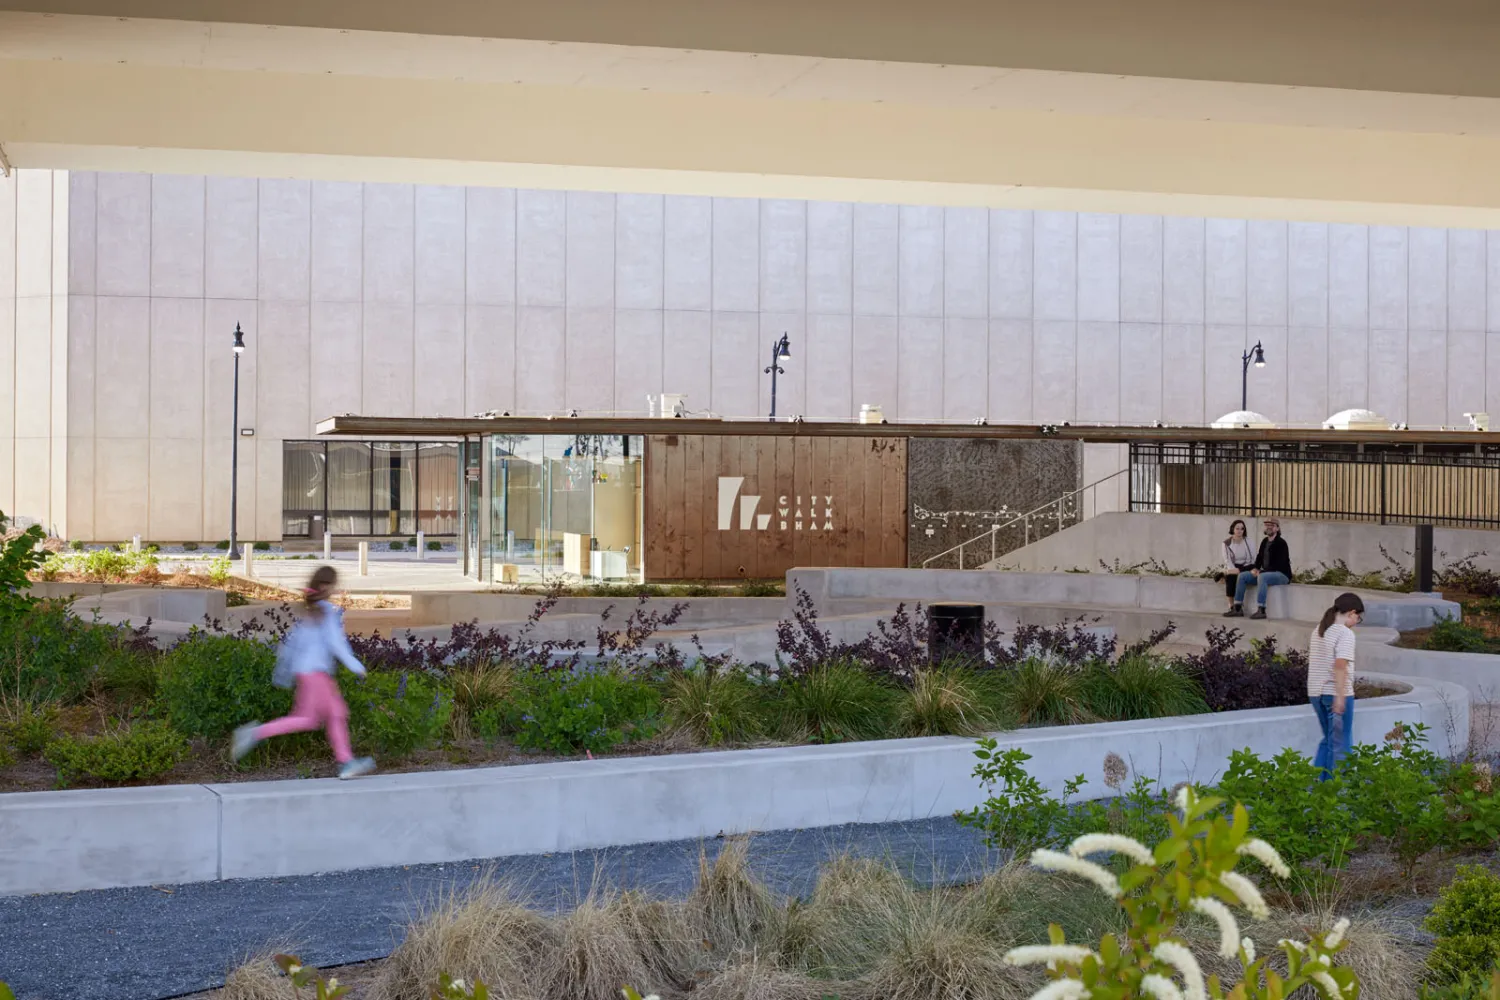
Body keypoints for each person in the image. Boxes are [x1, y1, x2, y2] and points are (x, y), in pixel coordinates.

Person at [232, 566, 376, 779]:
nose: (336, 589)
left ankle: (254, 733)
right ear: (325, 586)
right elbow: (336, 644)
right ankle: (346, 762)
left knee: (308, 719)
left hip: (306, 674)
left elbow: (292, 645)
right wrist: (357, 667)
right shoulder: (326, 612)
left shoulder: (311, 612)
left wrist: (285, 673)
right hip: (316, 675)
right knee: (335, 714)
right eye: (334, 585)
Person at [1307, 592, 1364, 780]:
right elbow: (1340, 665)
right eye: (1358, 617)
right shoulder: (1345, 633)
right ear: (1352, 613)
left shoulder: (1320, 630)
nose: (1357, 621)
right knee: (1342, 743)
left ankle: (1317, 785)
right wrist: (1340, 696)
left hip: (1315, 692)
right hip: (1336, 693)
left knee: (1329, 740)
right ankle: (1339, 791)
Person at [1225, 518, 1292, 619]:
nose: (1269, 527)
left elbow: (1280, 565)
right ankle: (1237, 608)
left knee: (1262, 577)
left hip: (1282, 574)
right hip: (1266, 573)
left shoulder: (1281, 543)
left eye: (1272, 525)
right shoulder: (1265, 541)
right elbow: (1259, 558)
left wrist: (1261, 571)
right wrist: (1256, 568)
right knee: (1243, 576)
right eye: (1267, 525)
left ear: (1277, 528)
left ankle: (1261, 610)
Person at [1219, 519, 1255, 612]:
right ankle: (1232, 605)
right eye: (1237, 528)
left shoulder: (1248, 541)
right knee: (1231, 576)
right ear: (1233, 529)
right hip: (1233, 566)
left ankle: (1238, 604)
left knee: (1239, 575)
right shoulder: (1226, 543)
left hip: (1247, 565)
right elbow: (1227, 560)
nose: (1240, 531)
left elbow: (1251, 558)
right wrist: (1233, 570)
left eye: (1242, 529)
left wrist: (1241, 570)